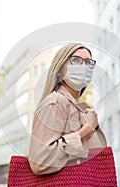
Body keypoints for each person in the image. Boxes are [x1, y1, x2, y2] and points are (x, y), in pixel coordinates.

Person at [28, 43, 107, 175]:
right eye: (75, 60)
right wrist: (85, 131)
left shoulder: (80, 107)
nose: (83, 66)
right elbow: (40, 162)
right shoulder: (55, 102)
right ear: (60, 68)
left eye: (88, 62)